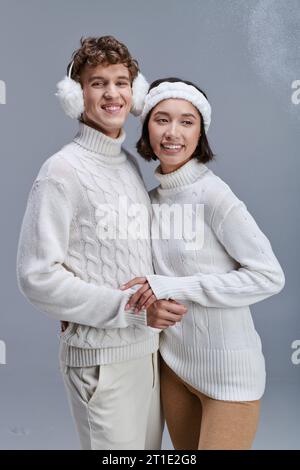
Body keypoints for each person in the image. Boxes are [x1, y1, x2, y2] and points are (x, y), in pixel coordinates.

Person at [16, 38, 186, 450]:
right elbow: (37, 276)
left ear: (136, 91)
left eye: (121, 81)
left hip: (147, 355)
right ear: (76, 95)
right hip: (100, 361)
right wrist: (126, 310)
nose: (112, 94)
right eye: (97, 83)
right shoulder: (61, 171)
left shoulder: (127, 162)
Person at [121, 77, 286, 450]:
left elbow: (269, 277)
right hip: (173, 368)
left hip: (229, 375)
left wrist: (175, 286)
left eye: (186, 121)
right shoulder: (146, 202)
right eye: (161, 119)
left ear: (201, 133)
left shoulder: (214, 196)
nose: (172, 133)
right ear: (147, 128)